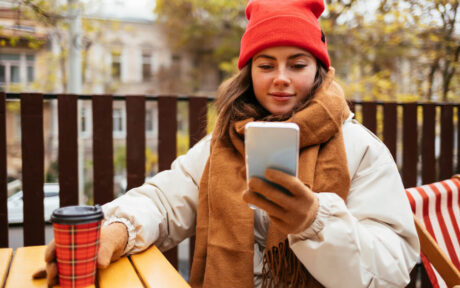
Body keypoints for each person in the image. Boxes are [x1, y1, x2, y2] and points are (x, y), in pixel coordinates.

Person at [37, 0, 420, 287]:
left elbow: (392, 268)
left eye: (298, 64)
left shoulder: (361, 149)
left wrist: (314, 222)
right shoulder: (225, 141)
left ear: (320, 71)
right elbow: (166, 200)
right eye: (266, 65)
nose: (281, 78)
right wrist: (118, 229)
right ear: (249, 73)